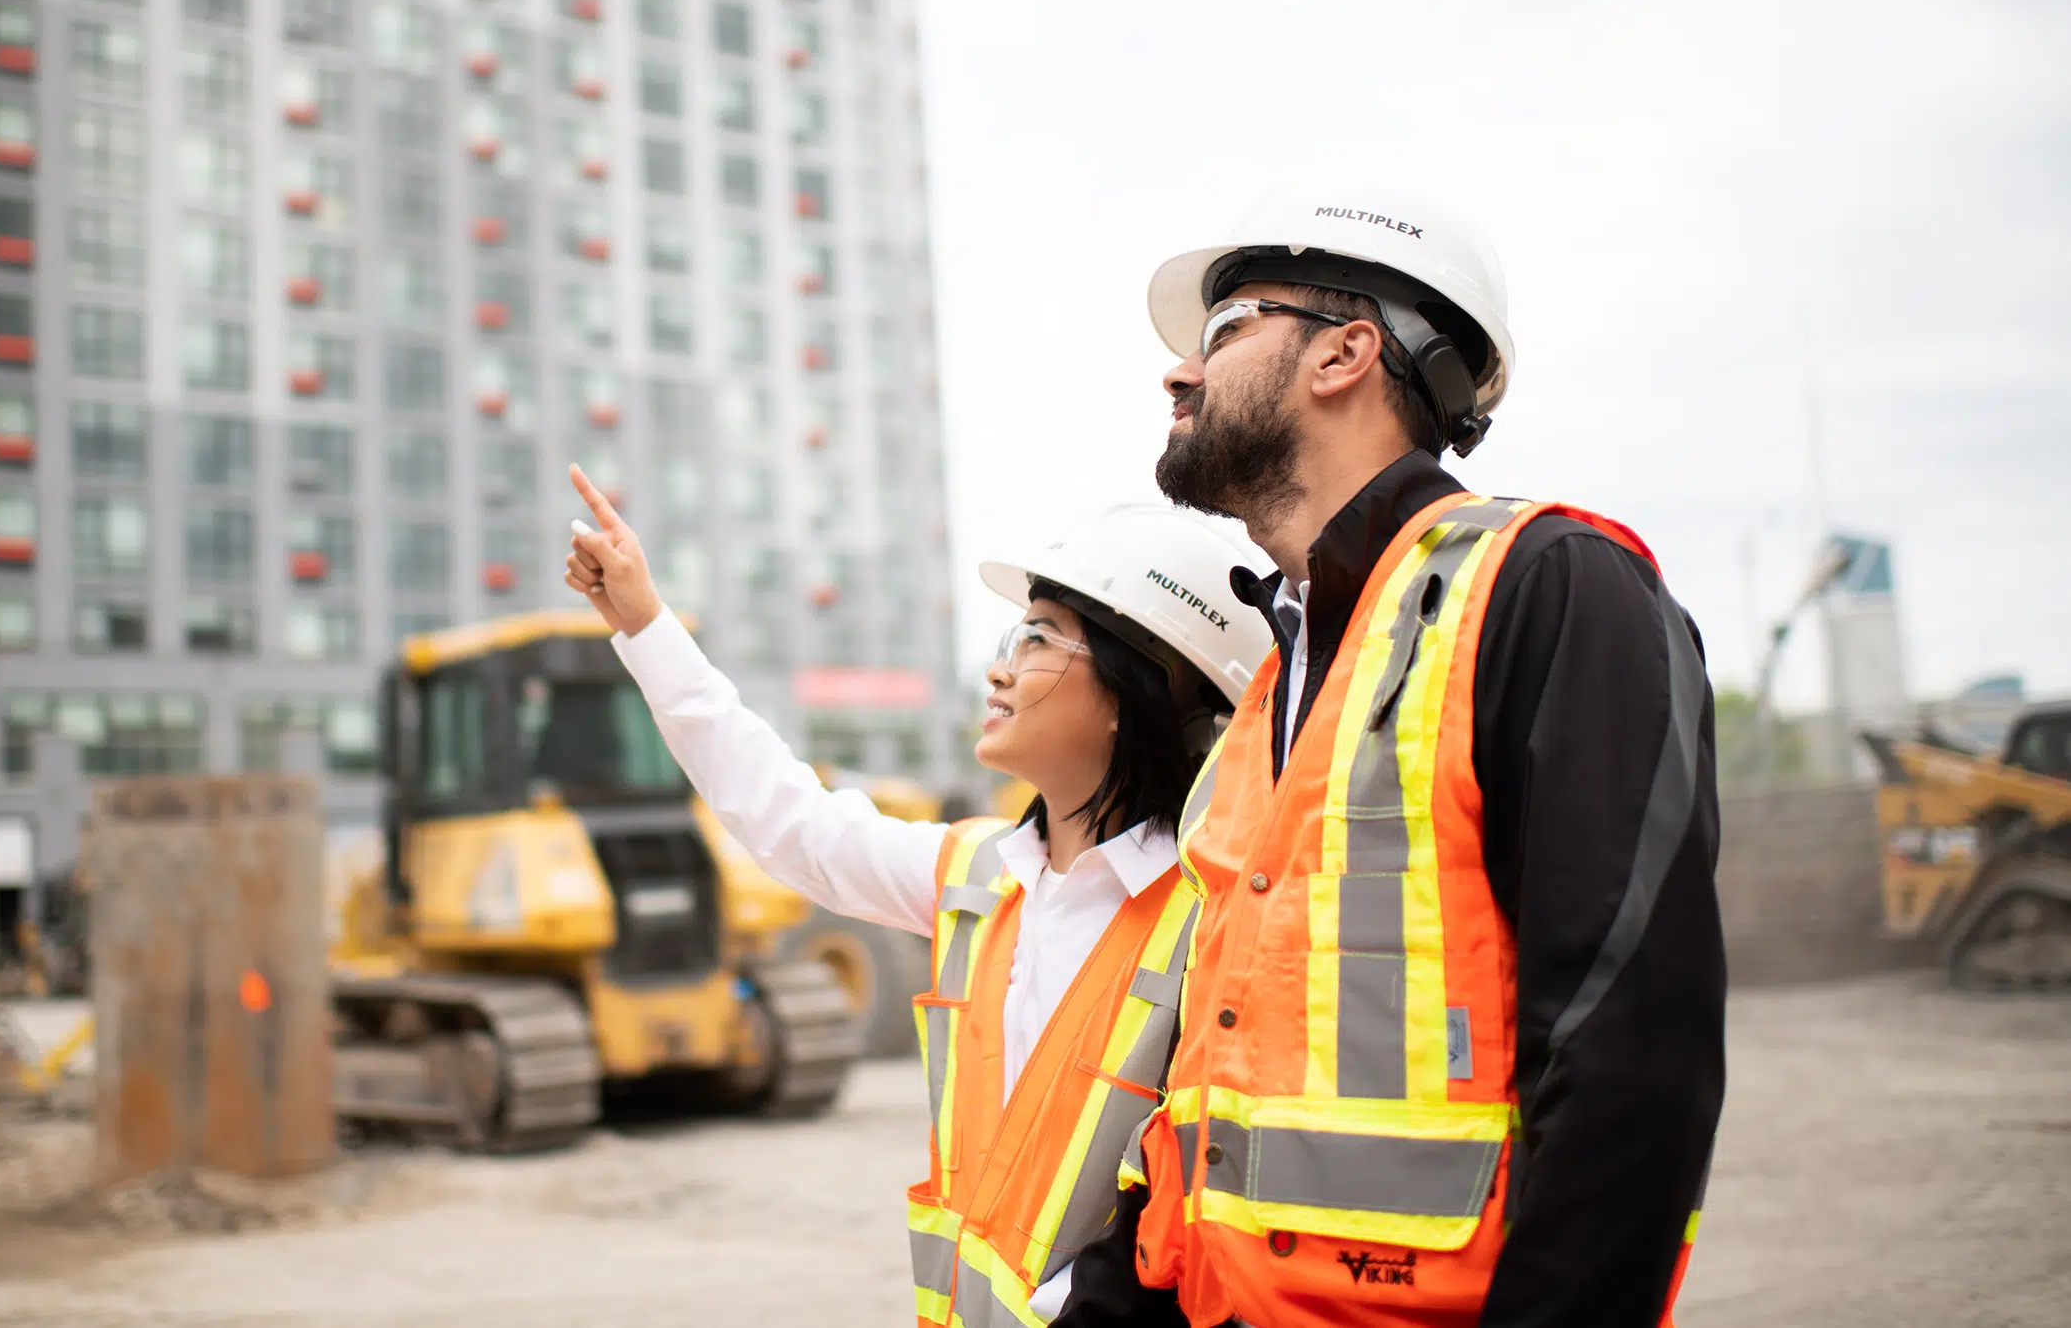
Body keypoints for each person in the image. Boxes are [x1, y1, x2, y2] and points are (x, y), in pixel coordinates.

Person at [1057, 192, 1725, 1328]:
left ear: (1345, 354)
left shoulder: (1548, 587)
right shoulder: (1281, 682)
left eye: (1223, 331)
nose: (1178, 372)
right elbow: (1207, 1093)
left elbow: (1629, 1060)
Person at [561, 465, 1267, 1327]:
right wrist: (646, 625)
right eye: (1010, 638)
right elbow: (790, 821)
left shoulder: (1215, 922)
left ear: (1136, 687)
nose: (998, 671)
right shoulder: (977, 878)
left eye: (1039, 640)